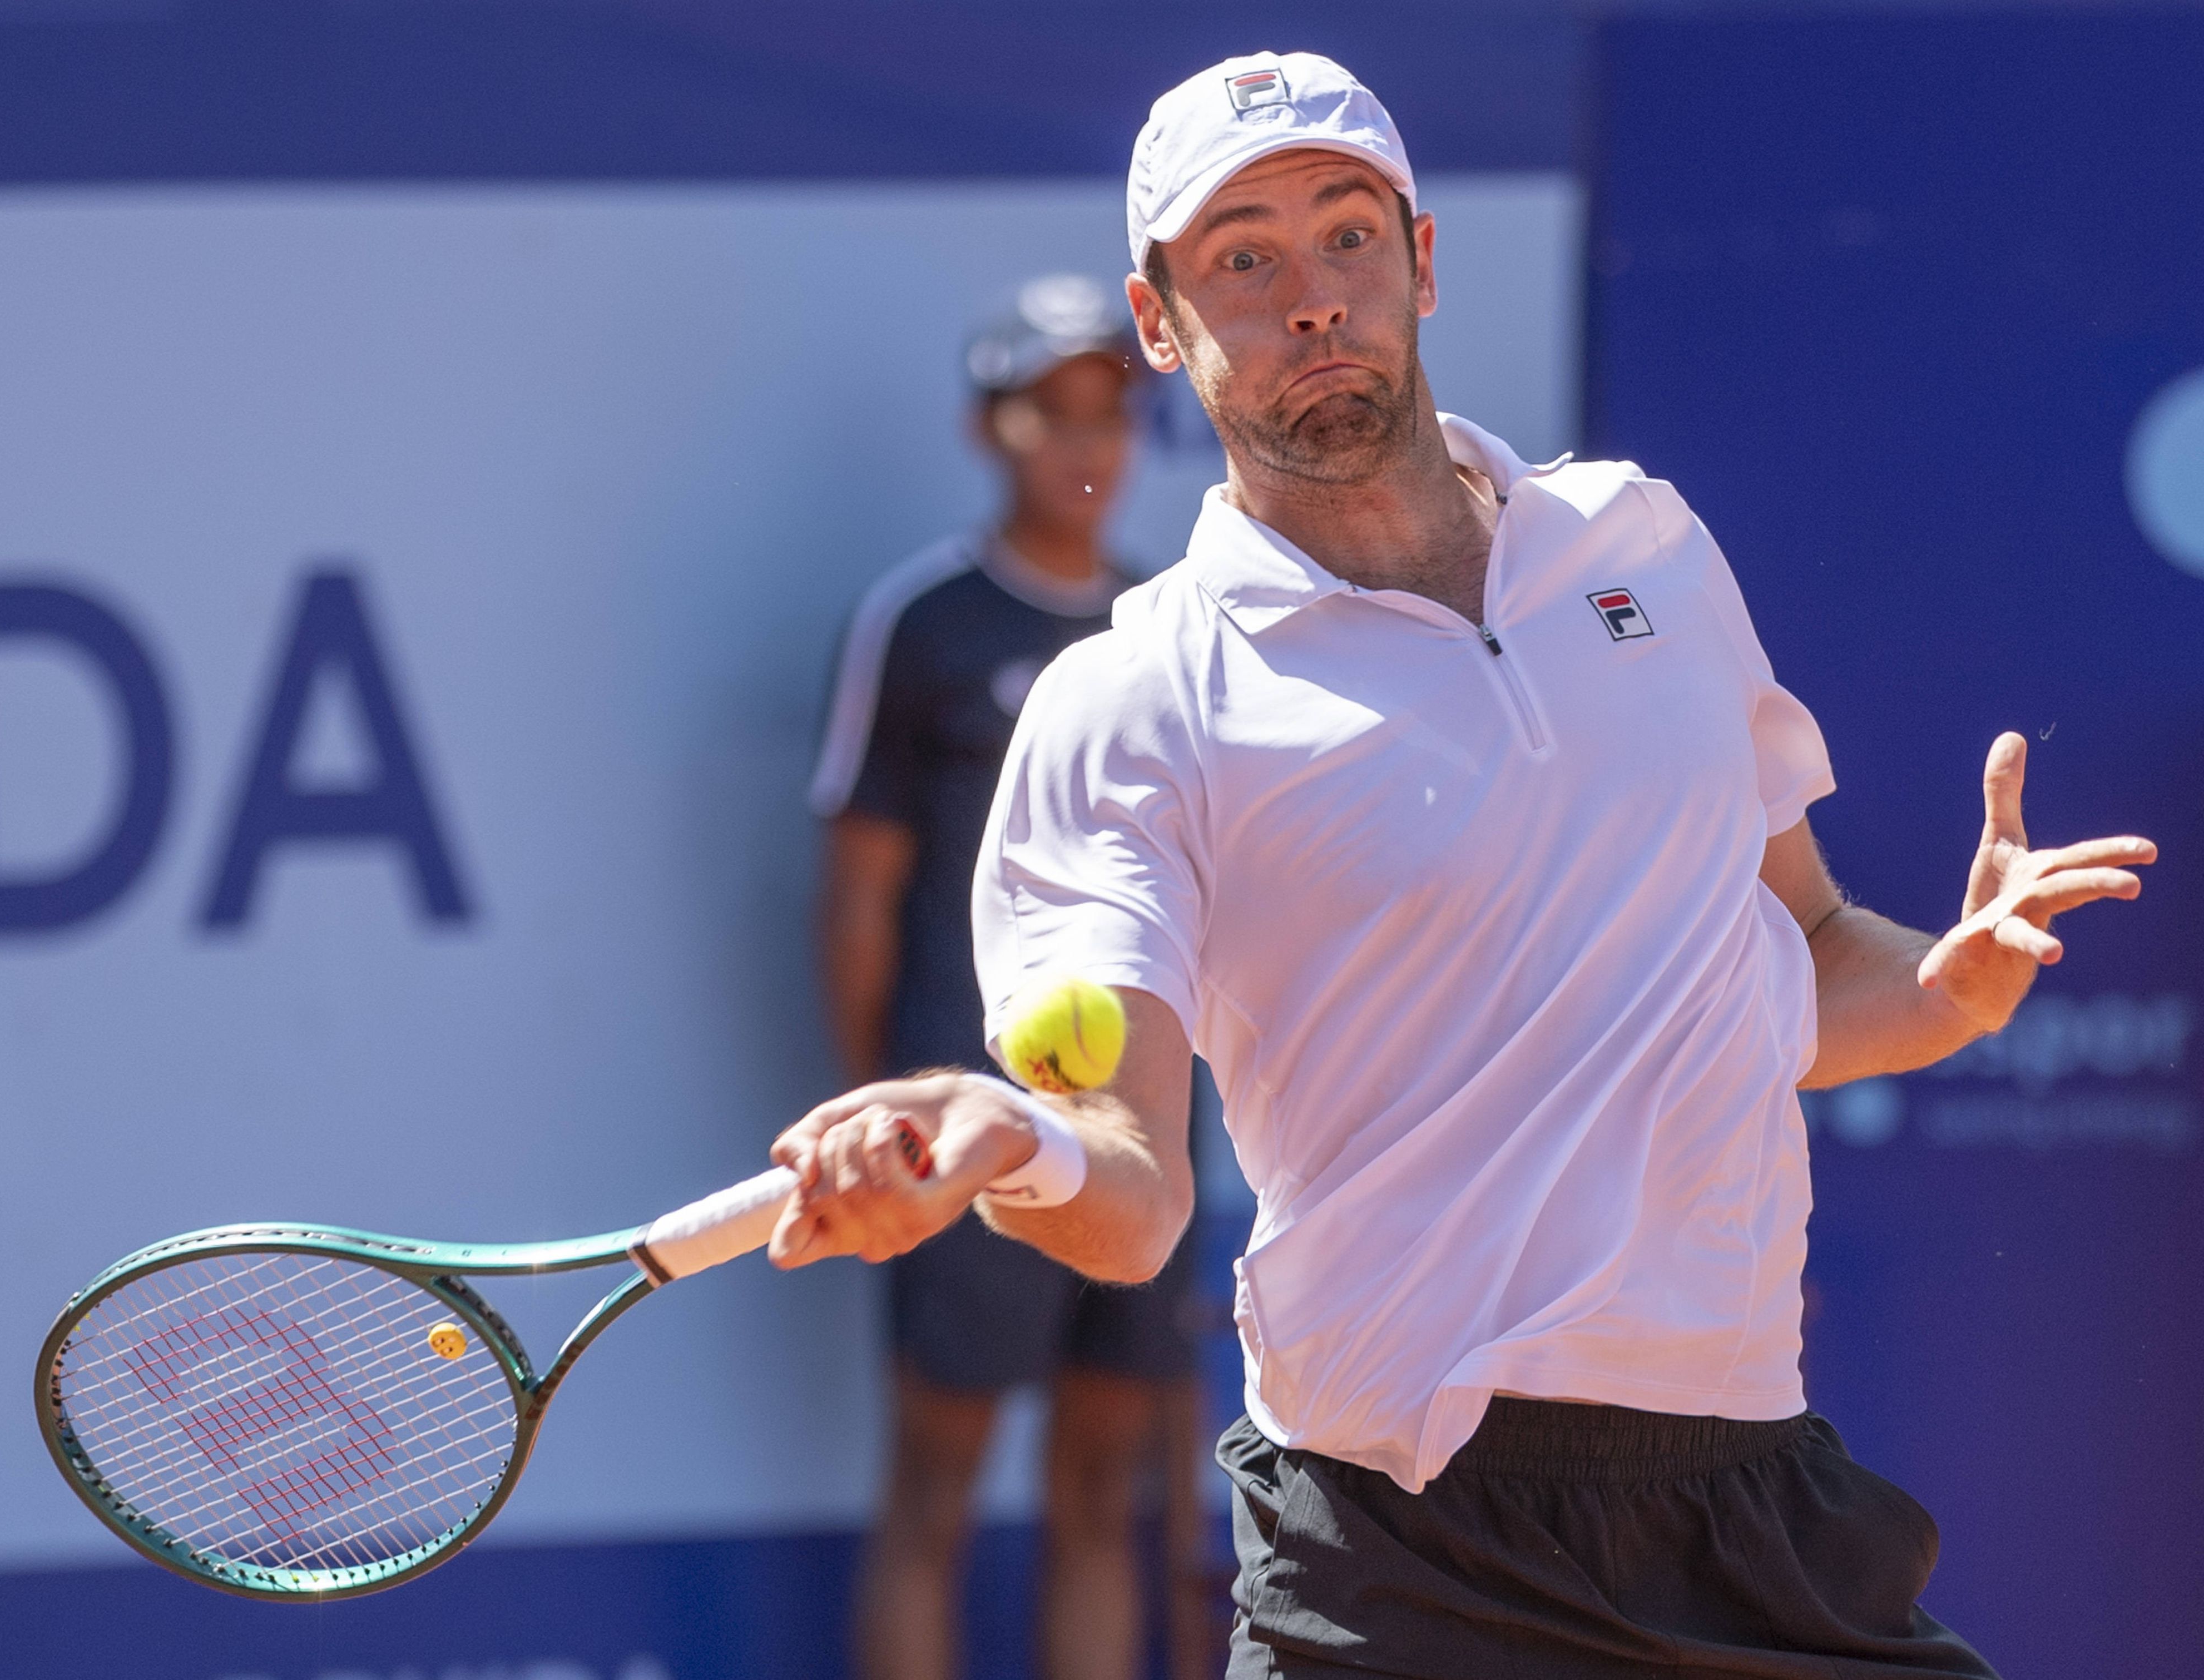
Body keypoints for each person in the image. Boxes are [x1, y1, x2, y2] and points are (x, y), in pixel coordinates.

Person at [775, 52, 2157, 1680]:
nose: (1312, 298)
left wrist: (1947, 979)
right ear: (1162, 325)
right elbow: (1131, 1194)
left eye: (1348, 235)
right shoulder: (1131, 698)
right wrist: (1018, 1136)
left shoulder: (1643, 543)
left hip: (1750, 1494)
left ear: (1422, 261)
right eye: (1243, 256)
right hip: (1404, 1556)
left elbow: (1808, 964)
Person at [808, 274, 1198, 1680]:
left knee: (1104, 1490)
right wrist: (877, 1114)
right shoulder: (923, 626)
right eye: (1052, 411)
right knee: (936, 1491)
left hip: (1141, 1137)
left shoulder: (1170, 627)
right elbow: (857, 894)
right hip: (951, 1129)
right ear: (991, 427)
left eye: (1114, 409)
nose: (1085, 444)